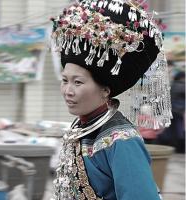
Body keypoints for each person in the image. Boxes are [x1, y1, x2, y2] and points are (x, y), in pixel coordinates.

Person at [50, 0, 170, 199]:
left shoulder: (122, 140)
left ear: (105, 90)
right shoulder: (80, 127)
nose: (67, 91)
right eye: (65, 80)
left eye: (77, 82)